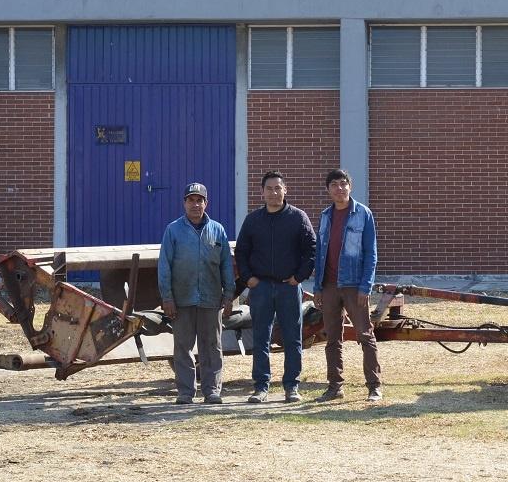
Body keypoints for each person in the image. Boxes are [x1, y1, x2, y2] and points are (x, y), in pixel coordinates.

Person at [235, 171, 316, 403]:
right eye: (269, 189)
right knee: (261, 338)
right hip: (260, 288)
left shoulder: (298, 218)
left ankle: (291, 386)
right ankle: (261, 386)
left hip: (288, 288)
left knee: (292, 337)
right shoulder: (253, 220)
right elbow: (241, 252)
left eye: (277, 188)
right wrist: (248, 278)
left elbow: (311, 250)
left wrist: (299, 277)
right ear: (262, 192)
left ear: (285, 190)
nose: (273, 193)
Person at [158, 182, 235, 405]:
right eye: (191, 200)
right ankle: (185, 392)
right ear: (184, 203)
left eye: (199, 200)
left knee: (211, 346)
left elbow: (226, 265)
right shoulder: (173, 230)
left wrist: (228, 294)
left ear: (206, 203)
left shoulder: (217, 230)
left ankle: (212, 390)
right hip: (182, 299)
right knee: (182, 346)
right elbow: (165, 265)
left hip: (211, 298)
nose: (195, 204)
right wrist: (167, 297)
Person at [313, 169, 381, 402]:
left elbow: (371, 254)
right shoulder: (325, 216)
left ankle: (374, 386)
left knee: (365, 335)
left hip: (354, 285)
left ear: (350, 187)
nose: (339, 189)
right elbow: (320, 251)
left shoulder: (363, 214)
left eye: (343, 184)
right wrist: (318, 287)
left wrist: (366, 286)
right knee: (332, 338)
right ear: (328, 190)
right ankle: (335, 386)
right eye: (334, 185)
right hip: (329, 285)